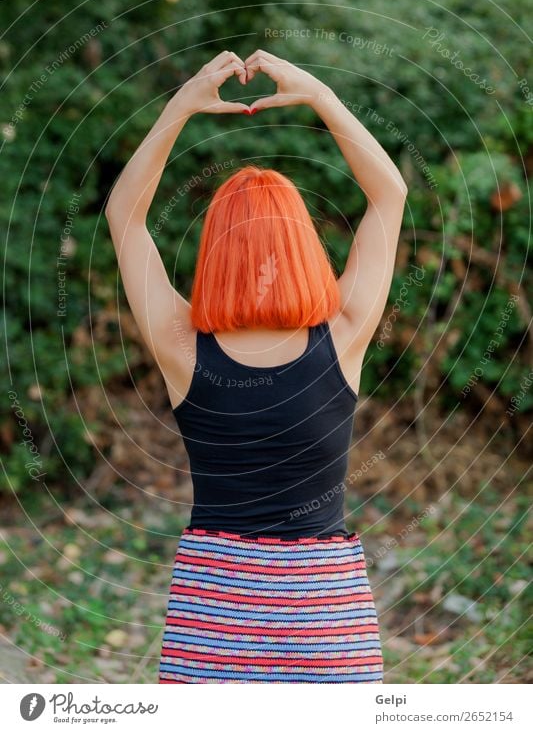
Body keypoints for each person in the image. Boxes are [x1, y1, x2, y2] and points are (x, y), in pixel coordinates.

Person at [105, 49, 408, 683]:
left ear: (215, 252)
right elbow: (389, 195)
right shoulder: (344, 336)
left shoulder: (183, 347)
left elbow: (125, 220)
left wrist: (182, 103)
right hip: (327, 621)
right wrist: (321, 94)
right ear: (302, 247)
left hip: (209, 617)